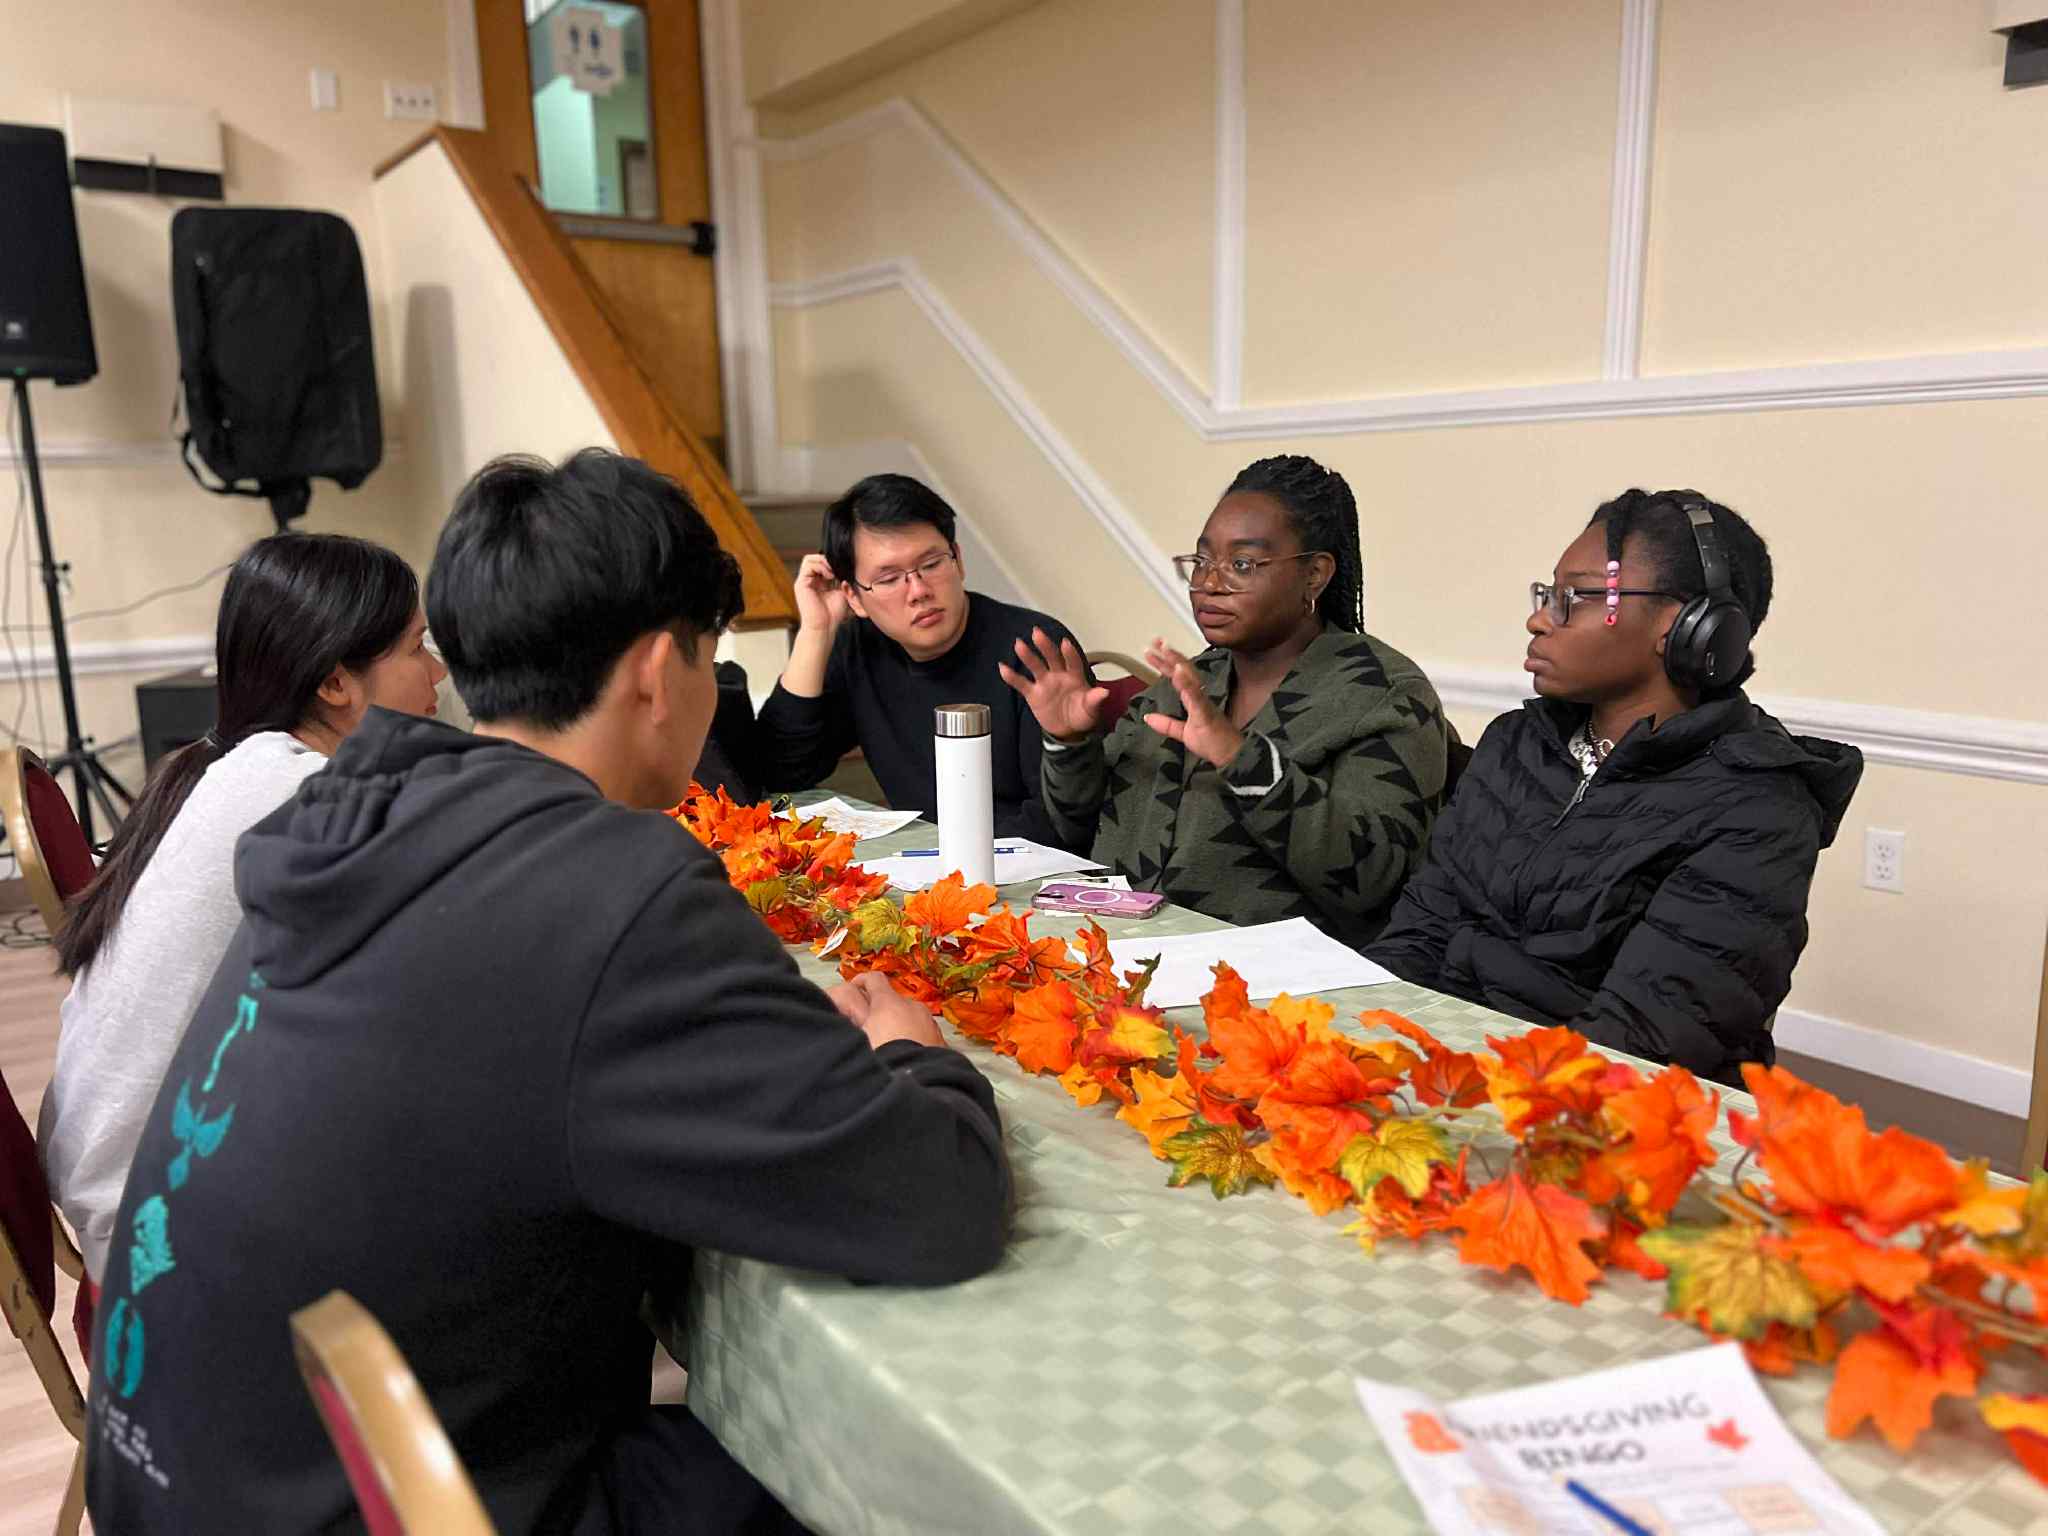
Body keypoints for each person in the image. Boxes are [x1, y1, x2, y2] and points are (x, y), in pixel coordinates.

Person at [85, 449, 1011, 1536]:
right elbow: (936, 1204)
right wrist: (915, 1055)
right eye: (711, 657)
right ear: (658, 673)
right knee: (876, 1479)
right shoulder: (611, 885)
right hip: (381, 1507)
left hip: (172, 1472)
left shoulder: (358, 812)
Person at [38, 531, 442, 1286]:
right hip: (164, 1241)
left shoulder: (231, 768)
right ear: (335, 682)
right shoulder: (303, 798)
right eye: (418, 648)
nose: (438, 673)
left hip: (120, 1186)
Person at [1369, 488, 1862, 1083]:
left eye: (1575, 598)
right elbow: (1418, 933)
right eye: (1547, 595)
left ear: (1683, 626)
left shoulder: (1759, 803)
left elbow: (1642, 1043)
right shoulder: (1513, 744)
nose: (1539, 619)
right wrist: (1365, 1041)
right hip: (1447, 1065)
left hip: (1591, 1106)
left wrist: (1458, 1092)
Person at [1004, 455, 1449, 946]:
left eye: (1242, 564)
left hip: (1267, 975)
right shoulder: (1184, 685)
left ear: (1315, 574)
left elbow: (1374, 880)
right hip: (1113, 952)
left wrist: (1243, 760)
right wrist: (1069, 743)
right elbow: (1076, 830)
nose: (1210, 584)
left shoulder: (1382, 693)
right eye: (1202, 561)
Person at [754, 473, 1085, 843]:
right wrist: (816, 632)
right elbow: (782, 770)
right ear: (853, 597)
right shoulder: (859, 648)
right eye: (889, 579)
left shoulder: (1035, 649)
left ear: (958, 560)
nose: (918, 591)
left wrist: (955, 863)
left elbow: (1061, 821)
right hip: (931, 862)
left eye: (931, 564)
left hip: (1026, 867)